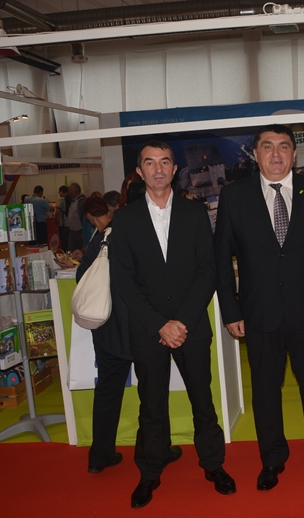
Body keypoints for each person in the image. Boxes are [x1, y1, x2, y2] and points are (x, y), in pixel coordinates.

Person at [214, 124, 304, 491]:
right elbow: (220, 259)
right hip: (258, 314)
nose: (275, 154)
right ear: (255, 154)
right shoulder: (234, 196)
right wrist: (231, 311)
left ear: (294, 154)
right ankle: (271, 459)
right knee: (265, 392)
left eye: (283, 146)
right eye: (267, 146)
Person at [111, 140, 235, 509]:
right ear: (140, 171)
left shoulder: (194, 213)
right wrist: (159, 324)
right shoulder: (125, 219)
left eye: (165, 162)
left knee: (202, 400)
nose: (158, 169)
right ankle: (150, 472)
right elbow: (123, 280)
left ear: (174, 169)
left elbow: (207, 270)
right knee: (151, 406)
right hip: (148, 329)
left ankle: (213, 465)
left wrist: (181, 321)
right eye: (150, 163)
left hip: (190, 325)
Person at [75, 196, 132, 475]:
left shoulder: (97, 241)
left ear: (89, 217)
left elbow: (81, 278)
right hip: (134, 325)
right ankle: (158, 448)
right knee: (152, 390)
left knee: (107, 391)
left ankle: (100, 454)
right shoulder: (128, 233)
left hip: (106, 328)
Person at [67, 183, 86, 251]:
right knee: (71, 250)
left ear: (73, 191)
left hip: (80, 232)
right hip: (72, 232)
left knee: (81, 250)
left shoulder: (81, 201)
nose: (68, 193)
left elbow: (84, 217)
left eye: (69, 191)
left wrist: (84, 231)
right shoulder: (73, 201)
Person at [56, 185, 70, 251]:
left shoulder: (61, 200)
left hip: (63, 224)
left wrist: (56, 221)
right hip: (71, 224)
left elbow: (57, 212)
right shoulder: (71, 199)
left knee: (64, 241)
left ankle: (64, 253)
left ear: (61, 191)